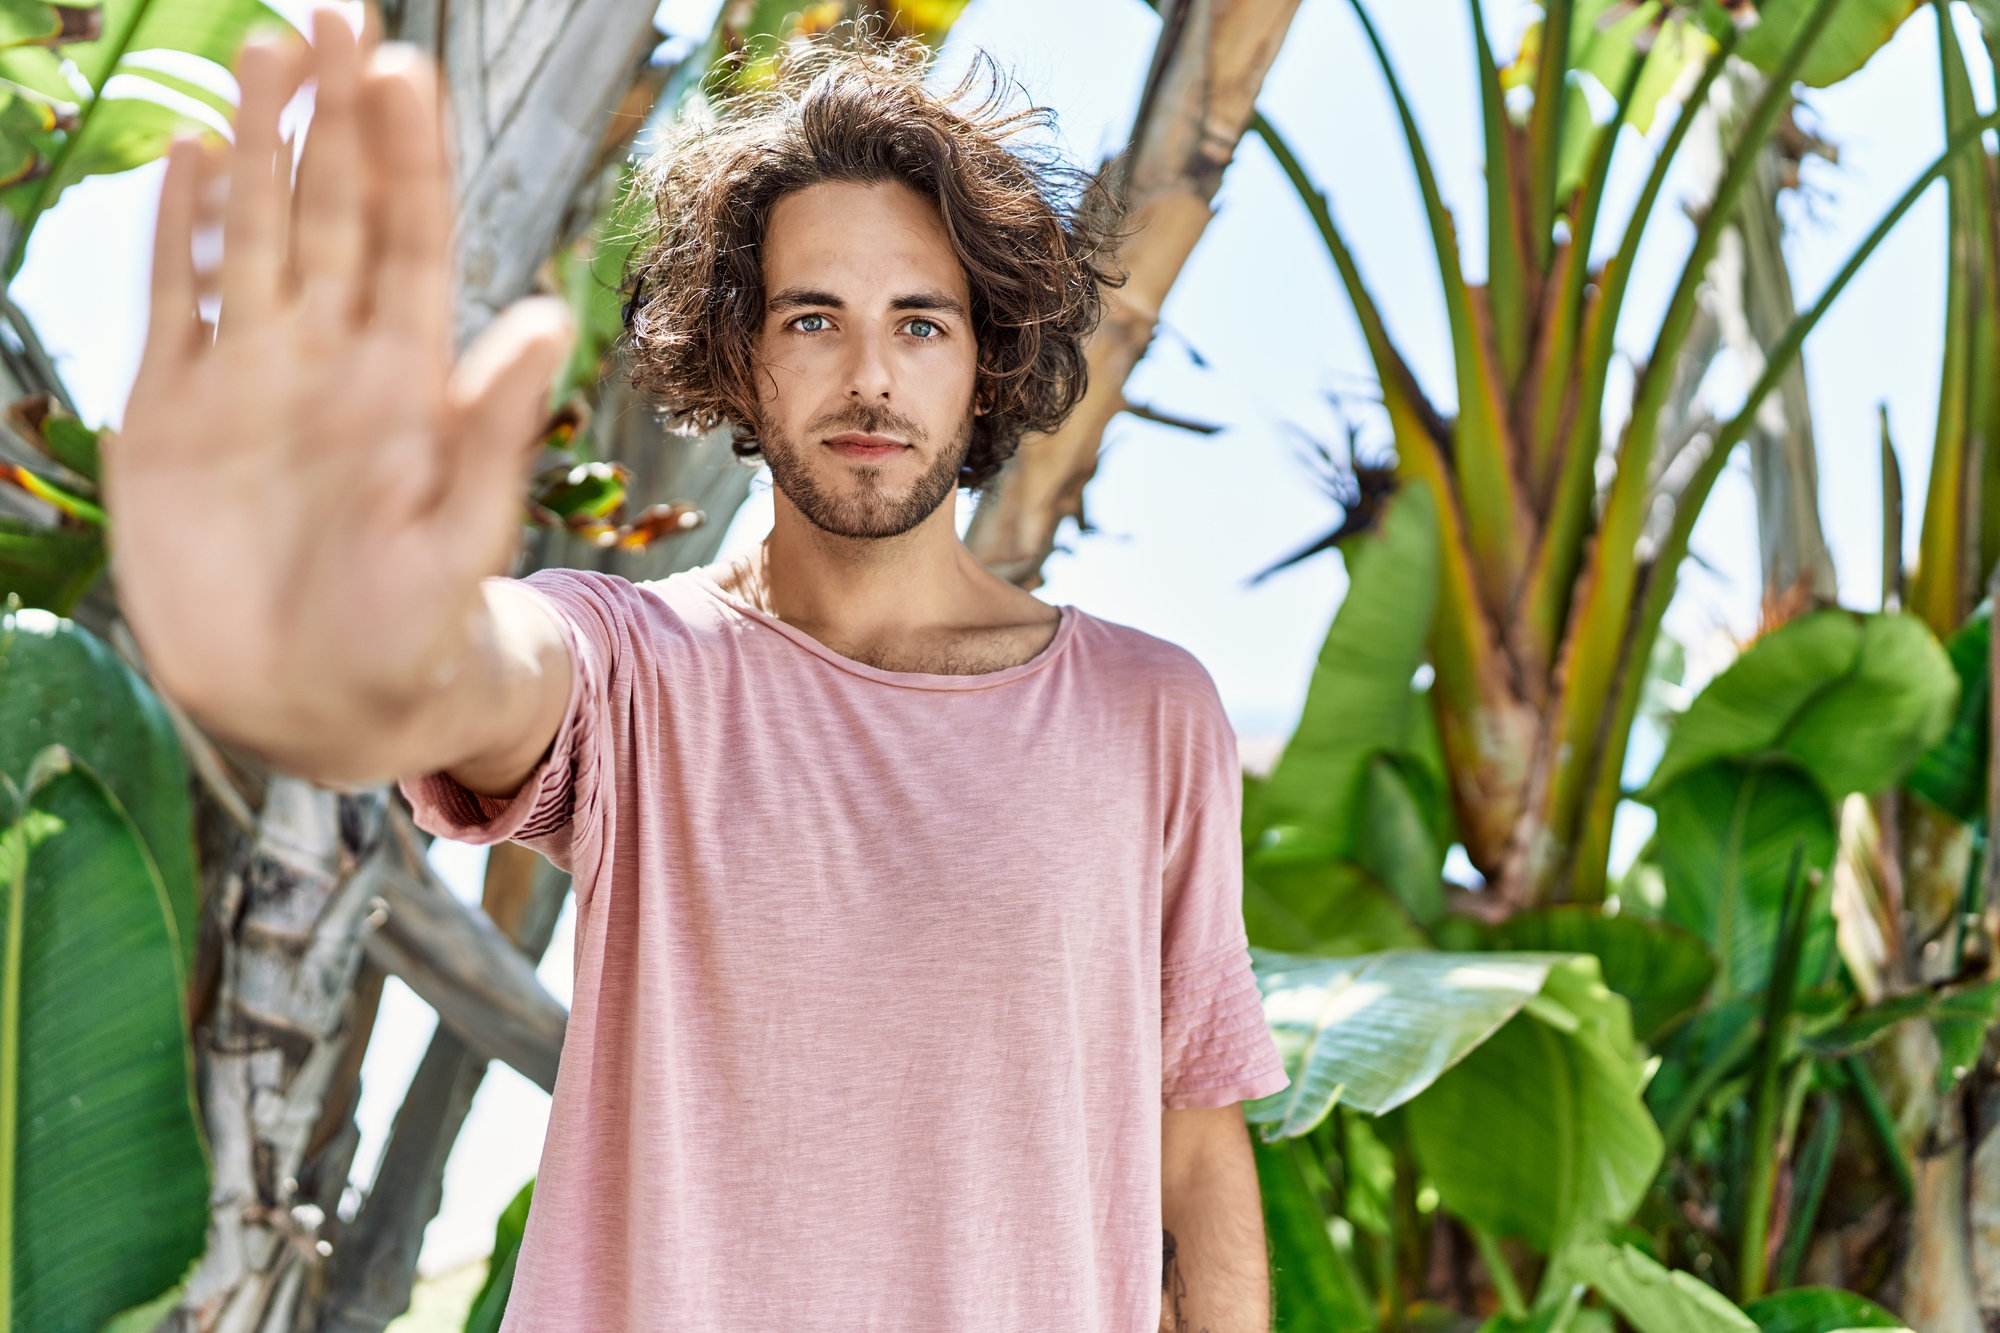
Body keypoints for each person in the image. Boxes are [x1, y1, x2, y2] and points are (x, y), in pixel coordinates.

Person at [108, 10, 1289, 1331]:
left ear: (988, 351)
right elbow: (451, 674)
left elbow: (1192, 1154)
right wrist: (329, 626)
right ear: (741, 350)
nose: (867, 378)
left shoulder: (1148, 714)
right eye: (810, 320)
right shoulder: (637, 669)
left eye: (919, 324)